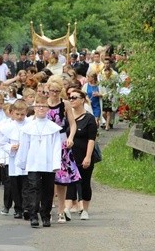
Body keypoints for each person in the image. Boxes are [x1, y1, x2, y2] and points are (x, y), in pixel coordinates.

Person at [17, 95, 62, 228]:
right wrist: (22, 162)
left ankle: (46, 215)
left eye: (44, 105)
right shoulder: (28, 127)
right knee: (34, 188)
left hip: (48, 163)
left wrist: (56, 164)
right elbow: (24, 145)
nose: (41, 108)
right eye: (38, 105)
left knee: (48, 190)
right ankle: (33, 215)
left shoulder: (53, 127)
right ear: (34, 108)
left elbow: (56, 147)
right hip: (33, 162)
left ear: (48, 108)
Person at [44, 77, 81, 224]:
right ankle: (46, 209)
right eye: (52, 90)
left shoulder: (64, 104)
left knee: (61, 178)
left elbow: (72, 124)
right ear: (48, 89)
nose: (54, 93)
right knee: (46, 177)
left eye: (57, 91)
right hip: (46, 140)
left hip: (60, 140)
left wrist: (70, 137)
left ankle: (61, 211)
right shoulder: (43, 103)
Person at [67, 89, 98, 220]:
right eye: (70, 97)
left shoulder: (89, 118)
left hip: (84, 153)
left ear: (82, 100)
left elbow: (92, 139)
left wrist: (88, 156)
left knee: (84, 182)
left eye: (75, 97)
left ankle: (84, 209)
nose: (72, 100)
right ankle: (67, 208)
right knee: (69, 182)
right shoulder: (67, 115)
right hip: (69, 155)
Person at [0, 99, 29, 219]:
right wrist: (11, 147)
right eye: (17, 114)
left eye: (22, 114)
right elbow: (2, 143)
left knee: (26, 185)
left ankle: (27, 207)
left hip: (27, 160)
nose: (20, 117)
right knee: (15, 186)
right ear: (12, 113)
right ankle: (18, 208)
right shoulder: (9, 127)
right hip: (14, 159)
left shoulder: (29, 125)